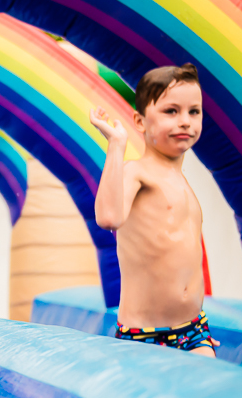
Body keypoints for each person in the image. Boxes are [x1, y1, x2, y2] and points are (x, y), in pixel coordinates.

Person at [89, 63, 217, 356]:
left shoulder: (183, 182)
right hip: (144, 335)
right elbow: (109, 217)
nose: (185, 121)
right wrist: (116, 146)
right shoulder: (137, 172)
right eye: (171, 111)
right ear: (140, 121)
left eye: (193, 111)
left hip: (194, 329)